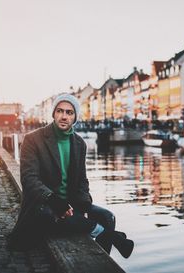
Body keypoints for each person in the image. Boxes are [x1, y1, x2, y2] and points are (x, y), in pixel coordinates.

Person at [7, 93, 134, 258]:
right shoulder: (33, 139)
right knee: (50, 215)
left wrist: (83, 204)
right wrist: (54, 200)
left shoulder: (79, 143)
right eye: (60, 111)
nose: (64, 116)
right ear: (53, 114)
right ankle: (110, 235)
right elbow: (29, 179)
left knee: (107, 216)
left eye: (69, 112)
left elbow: (82, 180)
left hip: (71, 205)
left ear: (75, 118)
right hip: (43, 205)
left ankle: (101, 262)